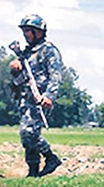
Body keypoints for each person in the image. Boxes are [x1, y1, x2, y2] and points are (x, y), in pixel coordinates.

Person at [9, 14, 63, 177]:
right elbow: (18, 80)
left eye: (29, 31)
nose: (26, 34)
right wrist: (15, 69)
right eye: (24, 31)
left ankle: (50, 157)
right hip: (25, 98)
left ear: (38, 32)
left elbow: (56, 75)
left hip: (40, 99)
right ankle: (33, 172)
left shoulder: (49, 50)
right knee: (27, 137)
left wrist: (49, 96)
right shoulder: (25, 53)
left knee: (29, 132)